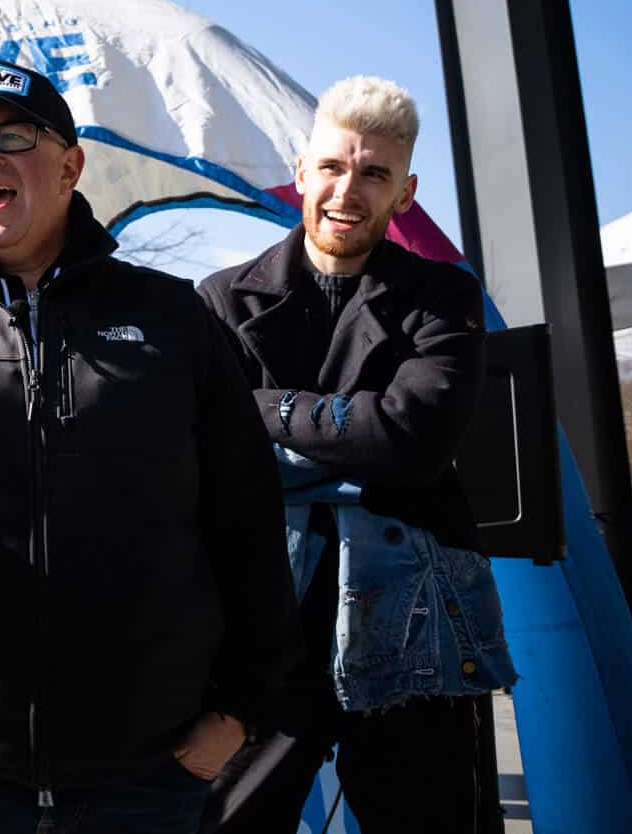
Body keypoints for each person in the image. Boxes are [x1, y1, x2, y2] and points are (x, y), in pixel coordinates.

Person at [0, 60, 303, 833]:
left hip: (144, 779)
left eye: (12, 135)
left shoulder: (172, 318)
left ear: (70, 165)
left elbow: (246, 525)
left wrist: (238, 717)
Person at [196, 76, 517, 833]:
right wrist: (361, 442)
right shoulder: (220, 298)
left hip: (417, 617)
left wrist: (263, 410)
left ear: (403, 192)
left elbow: (414, 441)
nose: (348, 190)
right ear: (301, 174)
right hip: (260, 619)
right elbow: (209, 455)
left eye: (373, 174)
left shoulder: (444, 296)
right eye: (334, 168)